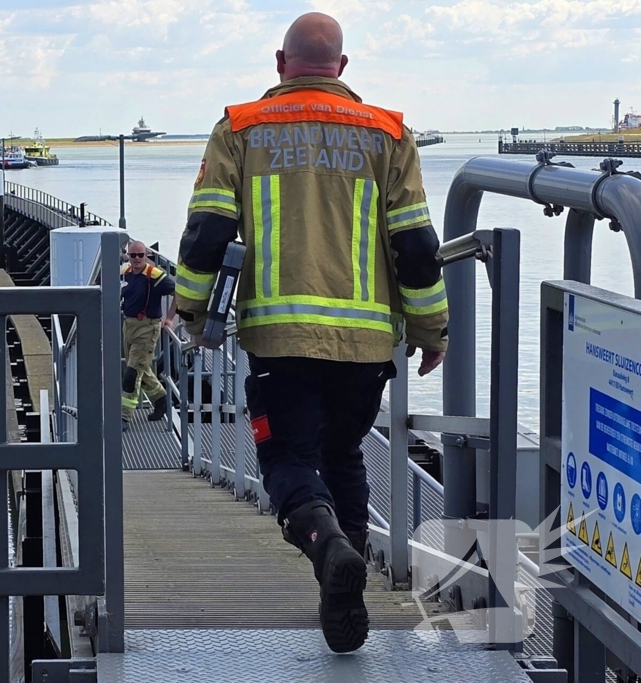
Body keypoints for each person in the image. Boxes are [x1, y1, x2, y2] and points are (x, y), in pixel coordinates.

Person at [172, 12, 448, 653]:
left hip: (277, 338)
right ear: (343, 69)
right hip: (366, 344)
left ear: (280, 63)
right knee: (346, 454)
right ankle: (341, 590)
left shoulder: (240, 128)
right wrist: (433, 329)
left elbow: (207, 234)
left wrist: (188, 311)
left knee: (289, 461)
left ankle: (326, 549)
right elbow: (416, 245)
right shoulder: (389, 133)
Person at [120, 240, 176, 430]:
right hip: (128, 325)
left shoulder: (155, 275)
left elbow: (178, 292)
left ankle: (124, 417)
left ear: (147, 256)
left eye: (140, 255)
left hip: (147, 328)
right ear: (128, 255)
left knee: (132, 373)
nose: (137, 259)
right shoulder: (125, 273)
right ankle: (161, 399)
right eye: (133, 255)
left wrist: (169, 319)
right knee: (141, 369)